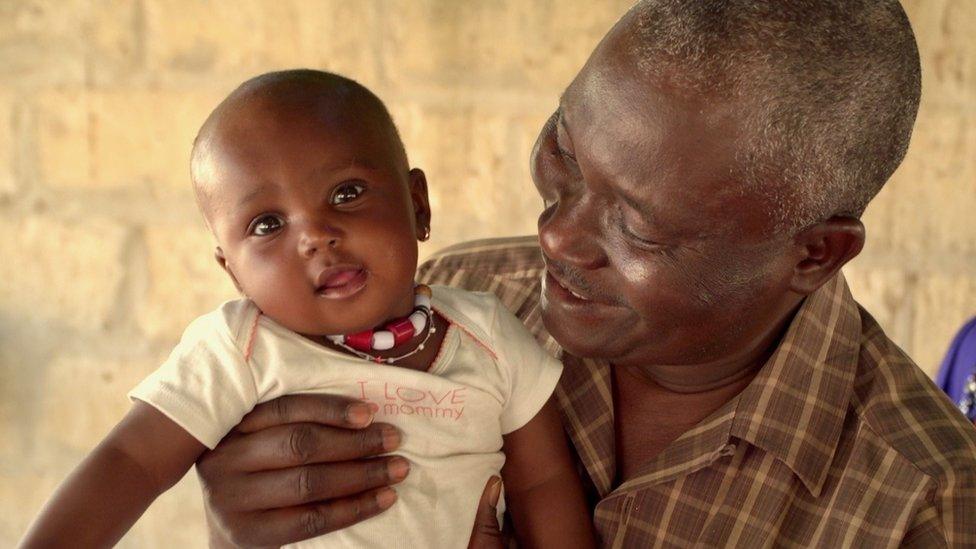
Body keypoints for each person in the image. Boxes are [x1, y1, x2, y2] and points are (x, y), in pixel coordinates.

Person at [192, 1, 975, 547]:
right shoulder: (464, 303)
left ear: (815, 253)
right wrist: (250, 530)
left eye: (638, 224)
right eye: (563, 151)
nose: (556, 233)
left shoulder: (919, 504)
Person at [20, 71, 597, 548]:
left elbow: (543, 482)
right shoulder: (239, 350)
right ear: (234, 273)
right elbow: (131, 461)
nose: (316, 235)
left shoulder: (490, 335)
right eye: (267, 224)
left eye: (346, 193)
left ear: (418, 204)